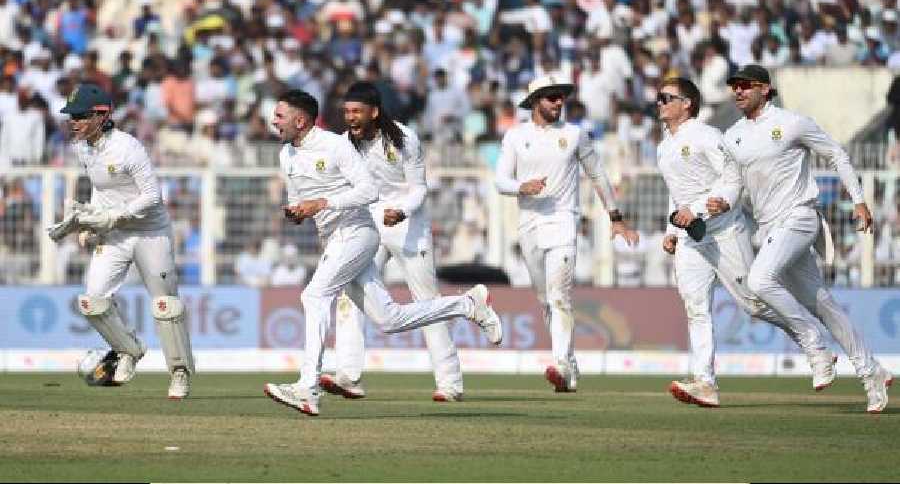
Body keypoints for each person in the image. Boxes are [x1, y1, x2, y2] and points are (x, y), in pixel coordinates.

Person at [264, 90, 502, 416]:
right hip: (336, 238)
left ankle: (308, 387)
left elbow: (369, 190)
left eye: (279, 116)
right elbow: (300, 200)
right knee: (389, 319)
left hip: (363, 232)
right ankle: (467, 304)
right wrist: (297, 212)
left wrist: (323, 203)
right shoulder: (286, 155)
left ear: (300, 120)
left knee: (314, 297)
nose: (273, 122)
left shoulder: (338, 145)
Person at [719, 64, 893, 413]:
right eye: (733, 86)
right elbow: (733, 183)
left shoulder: (792, 122)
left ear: (765, 89)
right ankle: (871, 371)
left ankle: (813, 344)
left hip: (799, 217)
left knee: (759, 279)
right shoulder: (733, 135)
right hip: (768, 228)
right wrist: (720, 201)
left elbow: (836, 154)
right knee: (822, 303)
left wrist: (859, 200)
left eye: (744, 85)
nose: (737, 91)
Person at [656, 76, 829, 408]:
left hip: (723, 231)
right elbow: (677, 192)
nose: (660, 103)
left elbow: (730, 179)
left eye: (666, 97)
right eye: (659, 98)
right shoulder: (664, 145)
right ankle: (705, 383)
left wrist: (710, 204)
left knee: (753, 304)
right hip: (691, 238)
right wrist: (673, 230)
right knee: (696, 308)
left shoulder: (707, 136)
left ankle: (811, 339)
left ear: (686, 103)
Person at [319, 82, 465, 402]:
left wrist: (402, 210)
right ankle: (349, 375)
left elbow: (419, 188)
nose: (351, 118)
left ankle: (450, 383)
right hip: (368, 224)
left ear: (374, 112)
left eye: (357, 112)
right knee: (351, 296)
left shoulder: (404, 138)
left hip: (408, 224)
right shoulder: (344, 144)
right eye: (346, 112)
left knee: (426, 301)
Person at [46, 84, 194, 399]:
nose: (73, 122)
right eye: (71, 116)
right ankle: (129, 350)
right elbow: (100, 188)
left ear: (102, 115)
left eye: (80, 116)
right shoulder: (82, 148)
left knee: (165, 305)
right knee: (91, 301)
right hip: (115, 233)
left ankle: (179, 372)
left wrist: (117, 216)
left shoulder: (128, 148)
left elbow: (153, 196)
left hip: (149, 232)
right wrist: (93, 221)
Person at [494, 75, 639, 393]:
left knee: (559, 297)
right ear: (534, 102)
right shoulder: (516, 137)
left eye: (561, 97)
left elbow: (598, 175)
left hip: (563, 222)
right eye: (551, 97)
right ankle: (569, 366)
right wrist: (522, 186)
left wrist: (615, 217)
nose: (559, 102)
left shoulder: (574, 135)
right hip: (529, 225)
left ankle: (559, 362)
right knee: (546, 301)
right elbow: (500, 180)